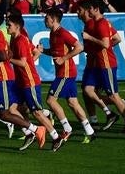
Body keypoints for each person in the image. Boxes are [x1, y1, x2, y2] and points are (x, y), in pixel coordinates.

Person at [0, 12, 45, 156]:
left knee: (4, 114)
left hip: (2, 79)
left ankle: (36, 129)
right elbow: (7, 54)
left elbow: (2, 56)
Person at [38, 8, 95, 146]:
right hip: (64, 72)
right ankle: (90, 131)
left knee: (51, 100)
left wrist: (64, 59)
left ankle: (67, 128)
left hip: (66, 73)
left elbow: (79, 47)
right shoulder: (53, 33)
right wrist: (43, 51)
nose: (45, 19)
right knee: (72, 102)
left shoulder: (63, 33)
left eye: (47, 17)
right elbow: (55, 52)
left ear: (53, 19)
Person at [82, 0, 125, 134]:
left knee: (112, 95)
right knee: (88, 91)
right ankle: (111, 113)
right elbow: (117, 39)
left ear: (96, 9)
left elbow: (106, 44)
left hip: (107, 64)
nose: (88, 11)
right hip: (99, 64)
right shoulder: (101, 23)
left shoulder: (101, 24)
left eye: (90, 8)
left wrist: (90, 39)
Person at [6, 14, 60, 150]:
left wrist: (8, 60)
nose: (7, 27)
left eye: (9, 25)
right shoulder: (15, 39)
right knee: (11, 109)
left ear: (17, 26)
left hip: (29, 82)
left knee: (36, 113)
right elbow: (35, 52)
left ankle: (56, 137)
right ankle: (29, 133)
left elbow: (23, 63)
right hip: (20, 82)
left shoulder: (20, 41)